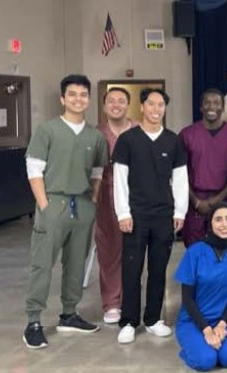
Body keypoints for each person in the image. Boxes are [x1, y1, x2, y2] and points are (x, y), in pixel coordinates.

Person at [23, 74, 108, 349]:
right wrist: (44, 206)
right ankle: (34, 320)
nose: (78, 99)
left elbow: (97, 170)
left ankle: (69, 313)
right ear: (63, 99)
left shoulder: (95, 136)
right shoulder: (47, 130)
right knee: (43, 263)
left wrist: (93, 198)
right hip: (54, 202)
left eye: (83, 94)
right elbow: (34, 169)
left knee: (76, 263)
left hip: (82, 205)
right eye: (72, 94)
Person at [113, 88, 188, 344]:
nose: (156, 110)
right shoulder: (128, 140)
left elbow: (180, 178)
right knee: (132, 269)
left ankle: (154, 318)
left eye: (161, 105)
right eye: (151, 104)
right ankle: (129, 321)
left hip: (163, 215)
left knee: (158, 268)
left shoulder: (173, 141)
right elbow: (120, 179)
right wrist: (123, 212)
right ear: (142, 107)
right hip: (135, 214)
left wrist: (180, 211)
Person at [174, 202, 227, 371]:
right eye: (218, 220)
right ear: (210, 223)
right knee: (206, 361)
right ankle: (191, 349)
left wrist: (222, 324)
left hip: (225, 319)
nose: (224, 224)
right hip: (193, 321)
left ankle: (210, 346)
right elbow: (187, 298)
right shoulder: (195, 252)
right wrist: (206, 330)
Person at [95, 87, 138, 325]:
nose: (116, 105)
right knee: (109, 249)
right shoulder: (96, 134)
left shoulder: (138, 130)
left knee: (134, 249)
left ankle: (131, 299)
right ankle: (112, 302)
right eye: (111, 101)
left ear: (128, 105)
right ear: (104, 106)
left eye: (121, 101)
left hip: (137, 195)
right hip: (106, 195)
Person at [180, 88, 227, 247]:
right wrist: (195, 202)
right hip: (194, 201)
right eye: (207, 103)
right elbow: (180, 173)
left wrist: (219, 199)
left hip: (225, 200)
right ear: (200, 107)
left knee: (223, 249)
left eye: (216, 103)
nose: (211, 107)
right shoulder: (187, 134)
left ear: (223, 107)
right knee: (195, 250)